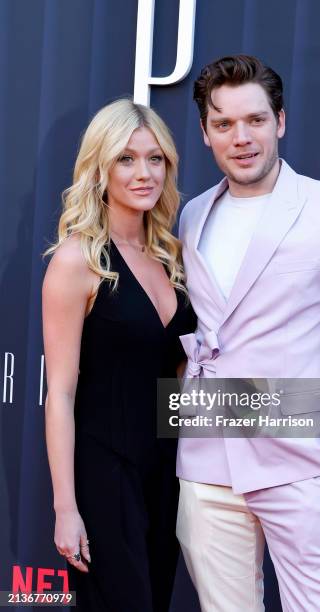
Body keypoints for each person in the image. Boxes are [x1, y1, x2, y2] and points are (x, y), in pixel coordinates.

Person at [176, 55, 320, 611]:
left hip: (302, 464)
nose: (241, 136)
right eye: (223, 123)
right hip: (207, 466)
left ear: (281, 121)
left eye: (254, 120)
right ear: (205, 133)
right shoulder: (193, 216)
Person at [42, 98, 196, 611]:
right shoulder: (77, 261)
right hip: (104, 474)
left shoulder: (171, 258)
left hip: (167, 472)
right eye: (126, 159)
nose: (144, 173)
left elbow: (181, 373)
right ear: (100, 167)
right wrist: (66, 507)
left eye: (156, 159)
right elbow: (60, 392)